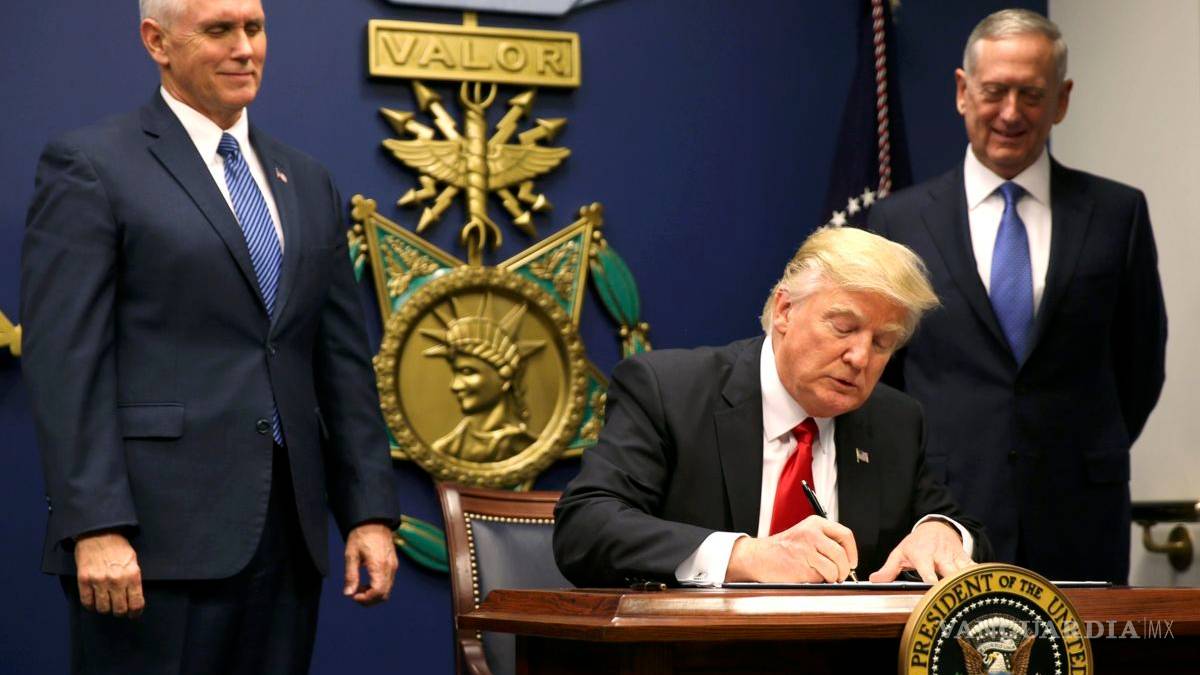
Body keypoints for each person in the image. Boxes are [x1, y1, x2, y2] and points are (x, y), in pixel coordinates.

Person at [20, 0, 401, 671]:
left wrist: (369, 511)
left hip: (287, 541)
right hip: (150, 546)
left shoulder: (307, 180)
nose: (244, 48)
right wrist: (94, 523)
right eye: (219, 30)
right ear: (156, 41)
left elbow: (340, 361)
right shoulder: (92, 164)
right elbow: (66, 363)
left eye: (254, 28)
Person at [868, 9, 1166, 584]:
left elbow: (1139, 366)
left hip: (1081, 514)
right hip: (942, 518)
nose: (1010, 112)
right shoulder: (897, 222)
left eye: (1031, 94)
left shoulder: (1117, 214)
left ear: (1061, 100)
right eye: (994, 91)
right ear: (962, 92)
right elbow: (887, 377)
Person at [554, 227, 991, 587]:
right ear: (784, 310)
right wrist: (745, 556)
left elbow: (963, 528)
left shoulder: (894, 421)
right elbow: (585, 528)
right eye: (844, 328)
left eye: (882, 343)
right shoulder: (669, 391)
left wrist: (941, 533)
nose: (860, 357)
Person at [423, 297, 544, 462]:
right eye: (456, 373)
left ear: (505, 378)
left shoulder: (528, 448)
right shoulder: (445, 449)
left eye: (468, 372)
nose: (455, 385)